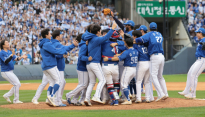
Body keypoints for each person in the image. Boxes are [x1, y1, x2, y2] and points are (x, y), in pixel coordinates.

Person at [83, 22, 117, 106]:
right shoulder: (95, 39)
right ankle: (96, 96)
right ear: (98, 32)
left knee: (92, 82)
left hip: (89, 64)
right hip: (95, 62)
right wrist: (112, 28)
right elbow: (106, 37)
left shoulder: (90, 38)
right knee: (103, 80)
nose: (100, 32)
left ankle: (87, 98)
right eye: (100, 31)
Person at [135, 22, 169, 102]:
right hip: (162, 56)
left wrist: (133, 40)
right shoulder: (160, 34)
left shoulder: (149, 34)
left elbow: (139, 39)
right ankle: (165, 93)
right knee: (160, 76)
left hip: (155, 56)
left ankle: (161, 94)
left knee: (153, 76)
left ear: (149, 28)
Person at [104, 37, 138, 105]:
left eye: (125, 43)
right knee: (126, 84)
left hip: (128, 69)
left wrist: (108, 58)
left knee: (123, 84)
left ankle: (128, 100)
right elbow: (124, 55)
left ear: (126, 44)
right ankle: (126, 98)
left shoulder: (127, 51)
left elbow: (119, 59)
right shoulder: (135, 50)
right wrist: (120, 54)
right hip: (134, 69)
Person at [38, 28, 68, 107]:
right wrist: (64, 51)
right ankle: (51, 96)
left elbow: (54, 50)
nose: (51, 35)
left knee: (51, 82)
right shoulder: (47, 43)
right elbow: (54, 51)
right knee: (59, 81)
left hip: (45, 66)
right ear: (46, 35)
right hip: (50, 65)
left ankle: (49, 98)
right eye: (49, 34)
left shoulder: (43, 43)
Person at [178, 28, 205, 99]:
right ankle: (186, 91)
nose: (196, 34)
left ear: (201, 33)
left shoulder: (204, 40)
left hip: (203, 60)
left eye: (197, 33)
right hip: (198, 60)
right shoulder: (201, 40)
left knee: (194, 75)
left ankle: (193, 94)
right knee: (190, 73)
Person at [0, 39, 27, 104]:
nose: (8, 43)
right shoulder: (1, 53)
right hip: (5, 71)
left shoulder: (9, 52)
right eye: (6, 42)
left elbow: (16, 59)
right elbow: (6, 61)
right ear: (3, 45)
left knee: (18, 84)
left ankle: (7, 95)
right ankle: (16, 100)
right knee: (17, 84)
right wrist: (12, 55)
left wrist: (21, 57)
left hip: (10, 71)